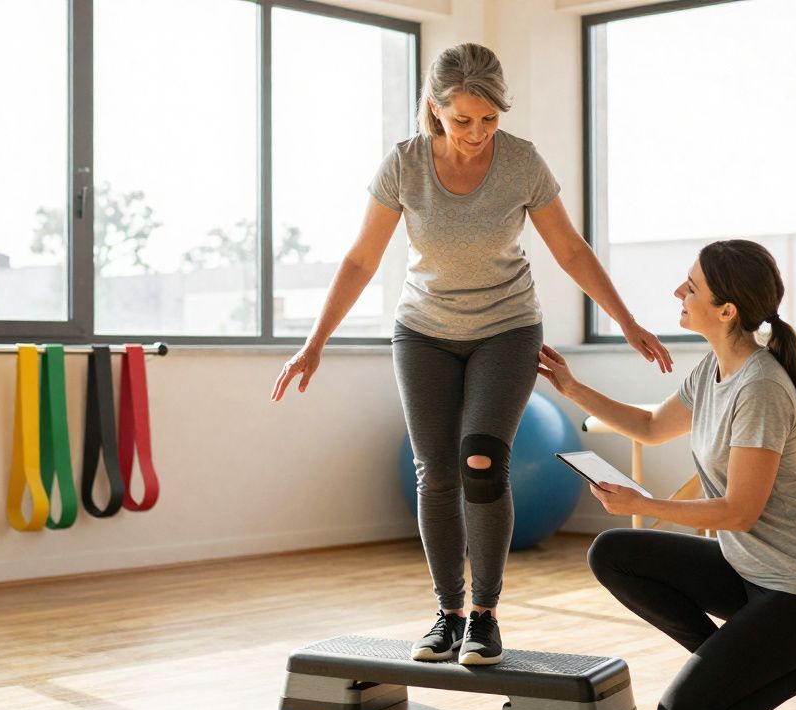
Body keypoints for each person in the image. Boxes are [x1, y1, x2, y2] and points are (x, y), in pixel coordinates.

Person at [270, 42, 672, 666]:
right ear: (435, 108)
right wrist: (313, 343)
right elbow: (361, 259)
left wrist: (626, 321)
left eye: (489, 118)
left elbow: (570, 250)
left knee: (481, 460)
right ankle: (448, 613)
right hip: (422, 331)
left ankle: (484, 616)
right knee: (435, 471)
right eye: (463, 119)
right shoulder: (404, 165)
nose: (478, 132)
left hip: (507, 328)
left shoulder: (521, 162)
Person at [537, 240, 796, 710]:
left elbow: (739, 512)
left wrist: (644, 504)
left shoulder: (760, 388)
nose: (679, 291)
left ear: (727, 311)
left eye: (691, 287)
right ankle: (726, 671)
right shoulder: (713, 369)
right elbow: (651, 427)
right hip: (747, 571)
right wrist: (572, 388)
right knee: (612, 553)